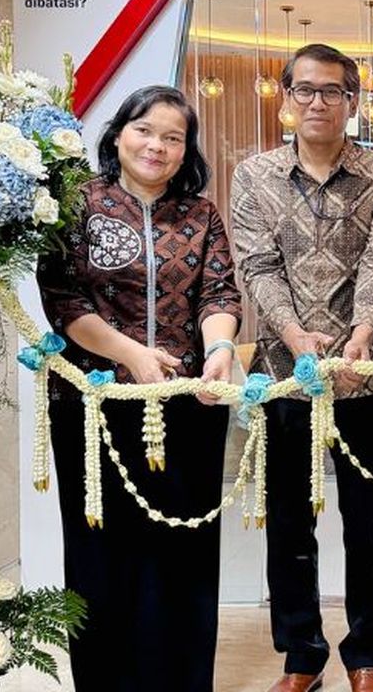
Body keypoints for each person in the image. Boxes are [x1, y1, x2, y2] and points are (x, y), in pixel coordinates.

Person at [37, 85, 241, 692]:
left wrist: (220, 352)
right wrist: (130, 355)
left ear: (187, 151)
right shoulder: (78, 204)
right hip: (95, 405)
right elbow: (64, 299)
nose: (157, 145)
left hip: (187, 407)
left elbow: (220, 294)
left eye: (173, 137)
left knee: (183, 557)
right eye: (145, 130)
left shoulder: (201, 214)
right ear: (120, 133)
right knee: (103, 557)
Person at [230, 43, 373, 692]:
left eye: (331, 91)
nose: (317, 102)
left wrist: (360, 336)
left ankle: (366, 657)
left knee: (366, 522)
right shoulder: (254, 177)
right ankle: (301, 655)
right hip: (284, 375)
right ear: (285, 97)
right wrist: (294, 337)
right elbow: (257, 266)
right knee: (288, 522)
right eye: (304, 89)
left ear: (353, 102)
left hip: (363, 374)